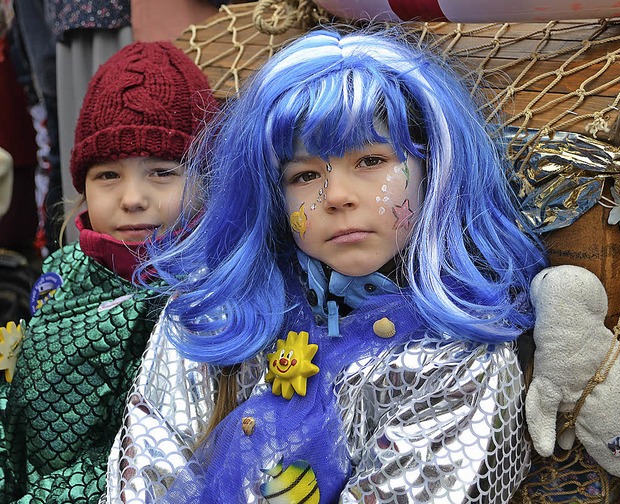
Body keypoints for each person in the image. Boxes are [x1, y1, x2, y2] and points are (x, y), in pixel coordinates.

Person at [106, 27, 548, 503]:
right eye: (306, 174)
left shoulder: (462, 354)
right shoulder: (216, 308)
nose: (337, 196)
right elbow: (149, 467)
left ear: (433, 167)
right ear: (271, 193)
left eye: (371, 160)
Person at [0, 40, 214, 503]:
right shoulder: (62, 274)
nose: (132, 198)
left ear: (206, 179)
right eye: (108, 176)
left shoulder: (208, 299)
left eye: (161, 171)